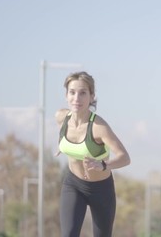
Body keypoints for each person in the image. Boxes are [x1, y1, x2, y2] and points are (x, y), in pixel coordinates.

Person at [55, 71, 131, 237]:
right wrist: (62, 145)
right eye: (72, 92)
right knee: (68, 234)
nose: (77, 98)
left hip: (101, 189)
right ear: (66, 95)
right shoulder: (62, 118)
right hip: (73, 184)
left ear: (92, 96)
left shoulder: (98, 126)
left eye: (83, 93)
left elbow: (125, 157)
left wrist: (103, 164)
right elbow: (63, 132)